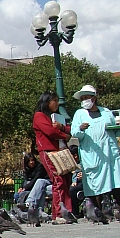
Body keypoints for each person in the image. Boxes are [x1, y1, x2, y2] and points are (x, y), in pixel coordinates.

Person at [70, 85, 120, 221]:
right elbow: (74, 133)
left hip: (110, 153)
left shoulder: (106, 112)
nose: (84, 100)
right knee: (96, 185)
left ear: (94, 98)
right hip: (92, 154)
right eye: (82, 98)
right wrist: (80, 128)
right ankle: (100, 214)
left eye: (87, 97)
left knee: (117, 182)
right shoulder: (79, 114)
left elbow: (115, 130)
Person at [33, 91, 73, 223]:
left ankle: (66, 211)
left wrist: (63, 130)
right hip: (49, 151)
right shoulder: (39, 116)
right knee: (58, 180)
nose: (57, 103)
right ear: (46, 102)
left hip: (59, 150)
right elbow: (50, 131)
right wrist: (64, 135)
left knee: (65, 180)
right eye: (54, 101)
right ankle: (60, 213)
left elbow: (67, 128)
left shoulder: (53, 116)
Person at [20, 153, 51, 218]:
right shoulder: (27, 169)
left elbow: (36, 179)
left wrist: (25, 188)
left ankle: (29, 203)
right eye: (29, 161)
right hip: (38, 188)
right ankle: (35, 212)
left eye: (32, 160)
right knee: (41, 191)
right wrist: (21, 187)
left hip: (47, 182)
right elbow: (25, 180)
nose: (31, 162)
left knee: (40, 181)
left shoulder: (40, 167)